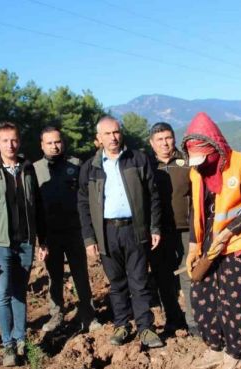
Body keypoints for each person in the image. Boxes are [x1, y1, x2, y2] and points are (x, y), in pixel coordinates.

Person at [182, 112, 241, 369]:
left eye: (205, 159)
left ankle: (234, 353)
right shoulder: (197, 172)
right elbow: (196, 208)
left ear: (215, 149)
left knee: (235, 299)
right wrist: (194, 245)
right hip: (208, 243)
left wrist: (228, 232)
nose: (201, 166)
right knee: (203, 297)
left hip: (236, 242)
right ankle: (215, 346)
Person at [78, 115, 164, 348]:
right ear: (99, 138)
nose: (113, 137)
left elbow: (153, 195)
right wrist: (89, 238)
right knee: (116, 283)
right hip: (106, 233)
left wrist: (154, 227)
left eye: (116, 132)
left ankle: (145, 328)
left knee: (139, 280)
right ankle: (122, 325)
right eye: (107, 134)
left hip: (134, 229)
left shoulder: (138, 159)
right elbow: (84, 205)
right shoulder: (90, 168)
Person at [0, 121, 48, 367]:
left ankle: (20, 338)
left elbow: (37, 206)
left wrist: (41, 240)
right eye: (5, 140)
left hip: (24, 242)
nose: (10, 144)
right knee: (2, 293)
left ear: (19, 141)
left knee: (19, 293)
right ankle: (8, 346)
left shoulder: (27, 168)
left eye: (14, 140)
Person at [33, 126, 100, 333]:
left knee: (80, 273)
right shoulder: (34, 169)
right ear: (42, 145)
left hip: (74, 231)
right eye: (49, 143)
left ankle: (88, 314)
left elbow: (86, 197)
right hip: (49, 233)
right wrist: (38, 238)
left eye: (57, 142)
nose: (54, 146)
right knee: (54, 276)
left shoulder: (76, 165)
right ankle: (56, 314)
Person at [147, 122, 199, 336]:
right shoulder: (147, 165)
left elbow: (197, 196)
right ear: (151, 143)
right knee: (163, 277)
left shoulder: (187, 162)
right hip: (158, 232)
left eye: (168, 138)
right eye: (159, 139)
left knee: (189, 273)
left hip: (186, 228)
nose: (164, 143)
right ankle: (172, 319)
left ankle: (194, 320)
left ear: (174, 138)